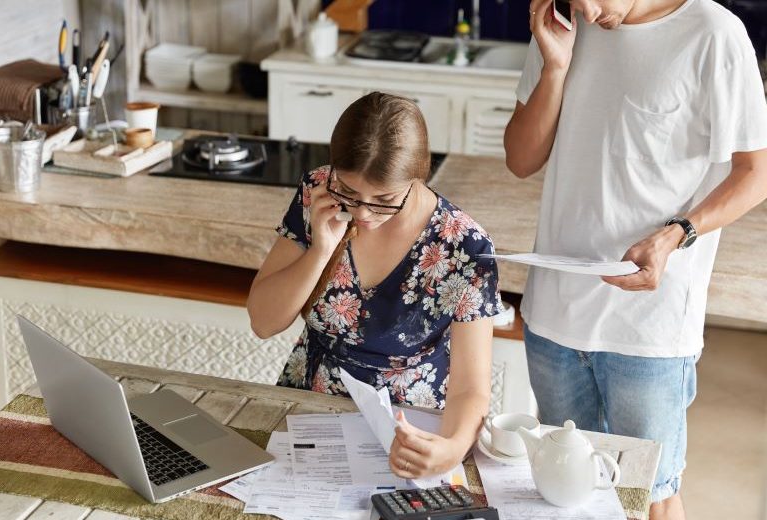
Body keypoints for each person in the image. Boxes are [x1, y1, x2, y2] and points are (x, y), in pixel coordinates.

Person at [504, 0, 767, 518]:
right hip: (554, 318)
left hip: (649, 331)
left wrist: (677, 234)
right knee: (566, 491)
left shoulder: (712, 33)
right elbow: (521, 158)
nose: (586, 9)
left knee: (649, 496)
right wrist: (556, 65)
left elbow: (755, 171)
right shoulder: (565, 26)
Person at [248, 92, 501, 479]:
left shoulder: (465, 247)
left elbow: (471, 388)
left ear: (417, 178)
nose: (363, 214)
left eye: (383, 201)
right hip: (309, 410)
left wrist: (451, 449)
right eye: (349, 193)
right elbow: (263, 322)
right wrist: (320, 251)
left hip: (405, 431)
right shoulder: (318, 191)